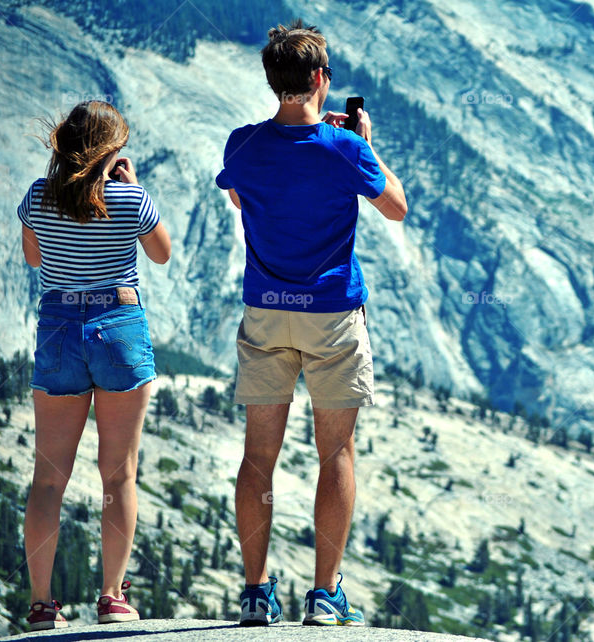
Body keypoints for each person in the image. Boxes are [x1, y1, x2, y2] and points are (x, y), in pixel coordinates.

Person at [215, 20, 406, 627]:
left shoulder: (241, 144)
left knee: (257, 457)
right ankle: (324, 595)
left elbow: (242, 198)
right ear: (322, 78)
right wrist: (363, 147)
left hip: (267, 311)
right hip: (330, 315)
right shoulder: (345, 149)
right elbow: (397, 208)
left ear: (274, 81)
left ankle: (253, 591)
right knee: (336, 452)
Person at [18, 101, 171, 631]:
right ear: (110, 151)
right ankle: (111, 597)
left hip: (59, 327)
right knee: (118, 473)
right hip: (118, 324)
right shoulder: (131, 198)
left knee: (47, 480)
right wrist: (134, 186)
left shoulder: (37, 196)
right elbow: (161, 254)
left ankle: (41, 604)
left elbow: (35, 258)